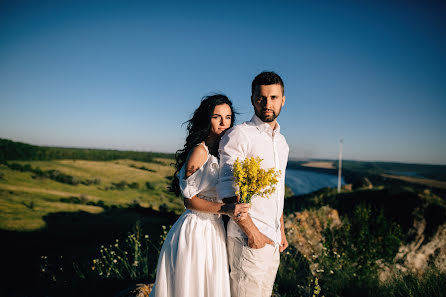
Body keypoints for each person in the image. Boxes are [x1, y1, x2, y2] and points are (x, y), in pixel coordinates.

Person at [149, 94, 251, 297]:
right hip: (196, 230)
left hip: (215, 229)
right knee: (193, 286)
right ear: (207, 119)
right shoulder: (200, 152)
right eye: (217, 117)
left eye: (228, 117)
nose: (224, 123)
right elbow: (189, 200)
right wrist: (226, 209)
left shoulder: (225, 152)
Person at [217, 72, 289, 297]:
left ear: (282, 100)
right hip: (247, 238)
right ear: (252, 99)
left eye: (274, 98)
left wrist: (282, 231)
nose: (268, 104)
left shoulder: (282, 142)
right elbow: (227, 191)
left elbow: (278, 192)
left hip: (273, 239)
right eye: (262, 98)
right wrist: (252, 233)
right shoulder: (240, 135)